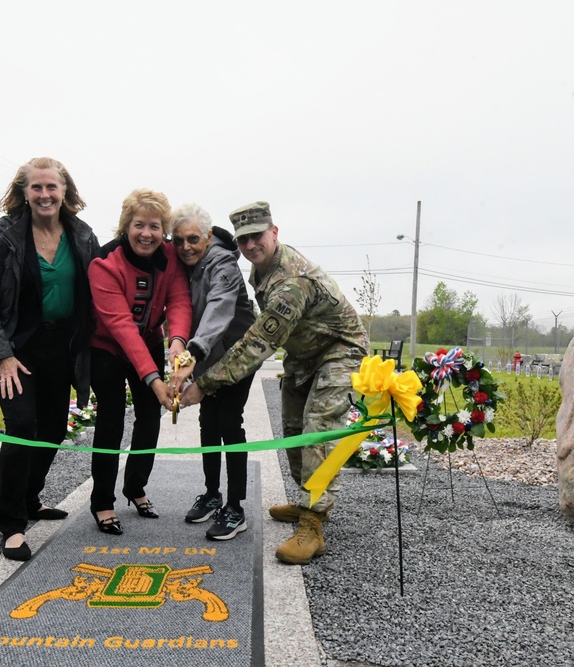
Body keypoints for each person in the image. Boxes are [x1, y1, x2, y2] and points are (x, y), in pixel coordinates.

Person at [179, 201, 368, 564]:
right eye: (244, 239)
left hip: (339, 352)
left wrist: (204, 384)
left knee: (317, 429)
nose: (250, 246)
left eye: (257, 237)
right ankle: (307, 502)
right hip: (305, 355)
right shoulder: (263, 268)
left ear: (274, 232)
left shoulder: (290, 282)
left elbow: (257, 344)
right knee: (294, 429)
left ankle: (313, 524)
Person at [0, 157, 100, 561]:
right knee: (22, 427)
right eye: (36, 188)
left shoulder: (82, 235)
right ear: (23, 192)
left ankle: (30, 498)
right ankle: (12, 524)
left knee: (55, 428)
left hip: (60, 350)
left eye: (51, 187)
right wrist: (1, 356)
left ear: (65, 192)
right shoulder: (3, 235)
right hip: (14, 350)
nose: (45, 195)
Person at [87, 188, 192, 535]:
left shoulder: (170, 257)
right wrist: (153, 377)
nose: (146, 234)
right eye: (138, 225)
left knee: (150, 415)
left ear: (164, 231)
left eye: (154, 226)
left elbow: (178, 301)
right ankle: (102, 500)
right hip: (107, 346)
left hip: (148, 340)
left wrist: (177, 342)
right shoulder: (104, 263)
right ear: (125, 226)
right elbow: (119, 325)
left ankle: (135, 488)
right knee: (112, 419)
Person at [167, 203, 258, 540]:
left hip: (236, 357)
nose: (186, 247)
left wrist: (193, 350)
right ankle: (211, 494)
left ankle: (235, 507)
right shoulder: (182, 263)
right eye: (178, 241)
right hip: (204, 356)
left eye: (193, 239)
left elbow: (218, 309)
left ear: (207, 236)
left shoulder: (224, 264)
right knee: (208, 422)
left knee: (229, 423)